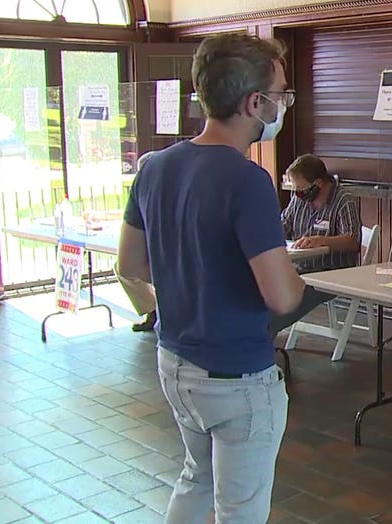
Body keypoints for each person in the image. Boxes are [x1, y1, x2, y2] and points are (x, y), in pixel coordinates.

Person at [117, 33, 309, 523]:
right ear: (254, 102)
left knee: (194, 478)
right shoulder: (248, 181)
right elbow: (282, 295)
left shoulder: (154, 168)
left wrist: (188, 286)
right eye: (282, 94)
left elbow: (130, 267)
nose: (284, 103)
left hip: (175, 362)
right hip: (237, 376)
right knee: (239, 509)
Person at [266, 153, 362, 338]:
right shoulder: (299, 200)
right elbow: (282, 226)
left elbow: (352, 241)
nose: (297, 193)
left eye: (301, 188)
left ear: (318, 183)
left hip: (330, 271)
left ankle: (263, 335)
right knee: (262, 288)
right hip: (299, 266)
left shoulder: (343, 200)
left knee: (286, 298)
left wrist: (322, 240)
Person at [114, 151, 158, 332]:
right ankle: (152, 308)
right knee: (122, 267)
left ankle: (156, 308)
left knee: (125, 267)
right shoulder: (145, 190)